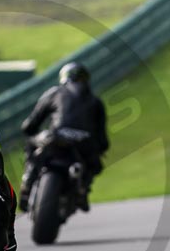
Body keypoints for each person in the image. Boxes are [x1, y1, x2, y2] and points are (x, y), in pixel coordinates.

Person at [19, 62, 109, 212]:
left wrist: (32, 132)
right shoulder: (96, 101)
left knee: (32, 143)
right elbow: (103, 139)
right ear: (86, 79)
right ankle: (83, 190)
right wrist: (99, 148)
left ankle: (27, 182)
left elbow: (30, 124)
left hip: (55, 140)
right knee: (95, 163)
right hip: (84, 144)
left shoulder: (54, 93)